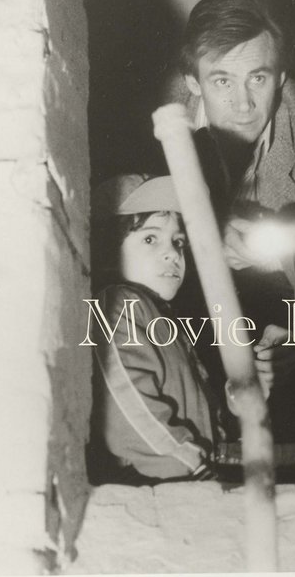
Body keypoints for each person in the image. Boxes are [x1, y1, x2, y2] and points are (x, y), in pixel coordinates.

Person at [152, 0, 295, 441]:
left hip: (277, 288)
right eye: (222, 81)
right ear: (193, 83)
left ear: (281, 76)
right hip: (177, 276)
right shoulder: (152, 120)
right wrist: (204, 233)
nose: (243, 104)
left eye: (258, 78)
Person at [86, 174, 219, 485]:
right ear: (109, 251)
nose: (173, 253)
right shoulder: (118, 302)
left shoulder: (160, 317)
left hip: (190, 468)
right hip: (167, 477)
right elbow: (127, 394)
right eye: (150, 239)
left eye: (178, 241)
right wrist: (188, 461)